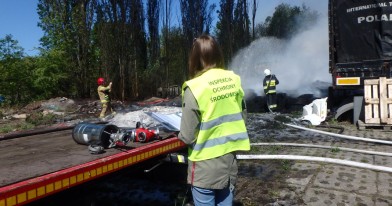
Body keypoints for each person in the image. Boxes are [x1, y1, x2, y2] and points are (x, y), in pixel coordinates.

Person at [178, 34, 250, 206]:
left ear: (194, 59)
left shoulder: (194, 88)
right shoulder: (234, 80)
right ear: (218, 54)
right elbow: (242, 118)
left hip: (204, 168)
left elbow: (187, 136)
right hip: (229, 163)